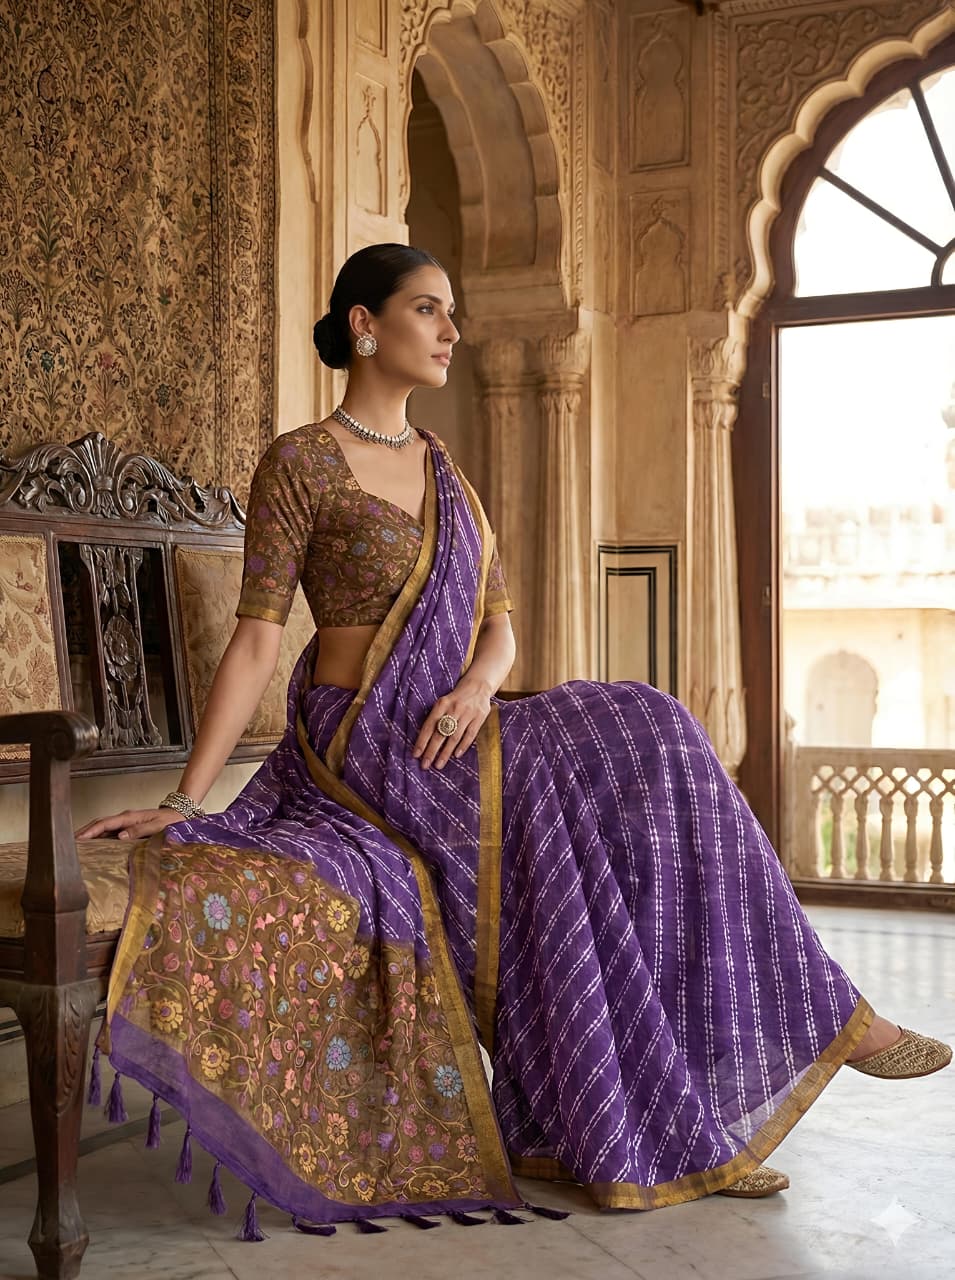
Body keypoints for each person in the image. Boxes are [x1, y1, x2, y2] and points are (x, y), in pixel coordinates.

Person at [80, 244, 951, 1236]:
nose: (451, 331)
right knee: (560, 804)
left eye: (451, 312)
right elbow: (255, 640)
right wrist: (193, 802)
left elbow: (499, 622)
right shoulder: (302, 460)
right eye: (427, 309)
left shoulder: (444, 470)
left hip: (458, 725)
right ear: (363, 324)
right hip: (365, 743)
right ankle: (717, 1090)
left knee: (654, 732)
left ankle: (708, 1091)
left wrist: (476, 688)